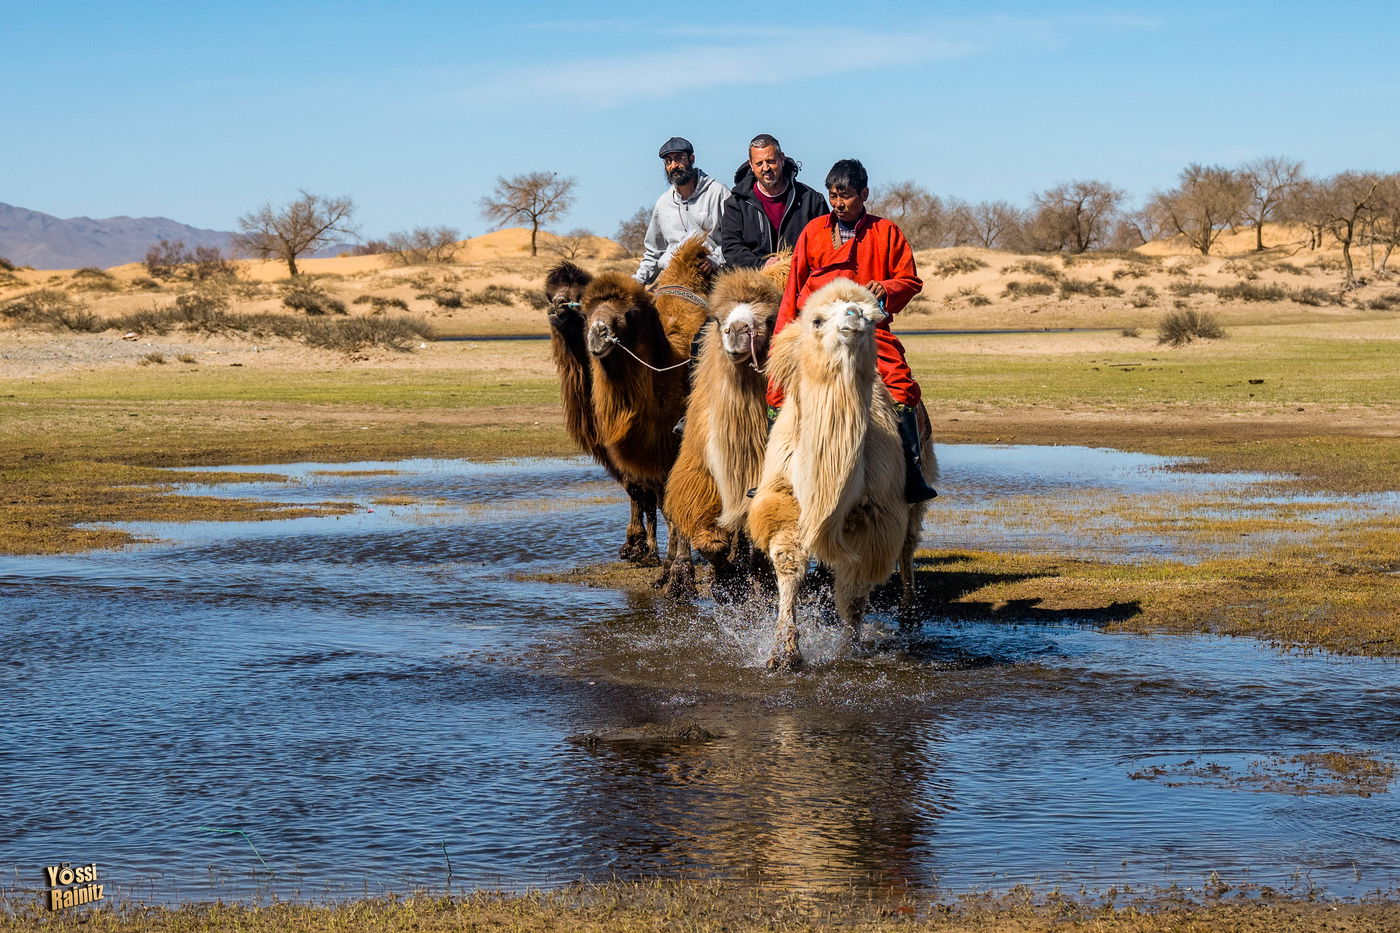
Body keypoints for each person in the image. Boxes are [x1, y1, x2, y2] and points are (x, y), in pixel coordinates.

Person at [768, 158, 937, 502]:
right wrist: (781, 340)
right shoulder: (813, 232)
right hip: (814, 333)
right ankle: (774, 475)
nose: (839, 204)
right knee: (775, 391)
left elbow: (910, 279)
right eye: (833, 196)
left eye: (846, 196)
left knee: (901, 386)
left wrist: (886, 289)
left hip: (867, 334)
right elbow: (793, 289)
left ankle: (912, 473)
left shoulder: (886, 232)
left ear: (864, 194)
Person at [719, 133, 827, 269]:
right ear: (751, 165)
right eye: (759, 163)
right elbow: (731, 247)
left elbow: (823, 244)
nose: (765, 168)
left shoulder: (811, 200)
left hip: (800, 277)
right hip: (753, 281)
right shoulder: (736, 203)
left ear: (781, 159)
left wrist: (793, 265)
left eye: (770, 161)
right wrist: (762, 266)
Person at [632, 137, 730, 286]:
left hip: (712, 279)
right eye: (668, 161)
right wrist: (637, 282)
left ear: (691, 159)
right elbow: (654, 252)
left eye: (679, 159)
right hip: (673, 280)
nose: (674, 166)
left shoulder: (718, 193)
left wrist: (715, 260)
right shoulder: (663, 203)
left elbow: (736, 241)